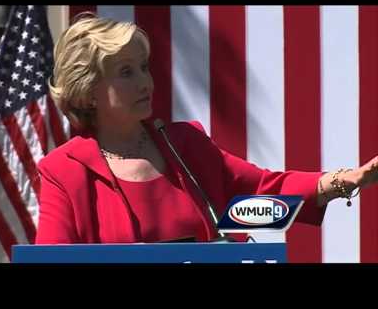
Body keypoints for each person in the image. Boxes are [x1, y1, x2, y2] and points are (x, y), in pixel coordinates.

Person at [35, 12, 378, 244]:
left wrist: (339, 182)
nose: (146, 82)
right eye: (127, 72)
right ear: (89, 91)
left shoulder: (186, 145)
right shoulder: (64, 172)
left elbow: (258, 196)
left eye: (144, 67)